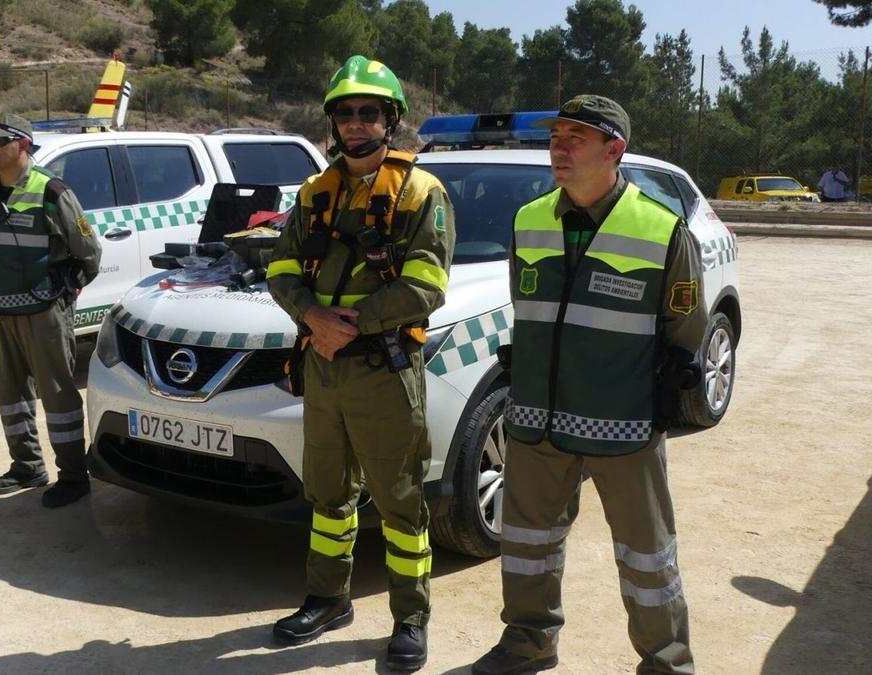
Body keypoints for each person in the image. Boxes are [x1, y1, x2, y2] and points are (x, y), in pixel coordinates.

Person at [469, 95, 706, 675]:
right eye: (557, 135)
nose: (560, 146)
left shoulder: (662, 230)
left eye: (578, 136)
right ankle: (528, 643)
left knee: (647, 555)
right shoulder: (529, 221)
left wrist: (660, 402)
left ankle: (668, 662)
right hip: (535, 422)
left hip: (623, 424)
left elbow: (686, 333)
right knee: (527, 545)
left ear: (614, 150)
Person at [266, 55, 455, 672]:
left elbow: (426, 285)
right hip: (323, 366)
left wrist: (348, 326)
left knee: (400, 498)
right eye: (344, 113)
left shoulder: (422, 193)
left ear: (390, 120)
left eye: (368, 112)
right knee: (325, 489)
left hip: (382, 368)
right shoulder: (313, 193)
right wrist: (311, 318)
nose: (354, 123)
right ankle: (328, 597)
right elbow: (282, 268)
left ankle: (410, 616)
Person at [0, 113, 101, 508]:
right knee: (8, 396)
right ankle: (26, 466)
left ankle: (74, 475)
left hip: (42, 313)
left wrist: (64, 291)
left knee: (58, 396)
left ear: (23, 145)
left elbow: (89, 253)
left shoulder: (52, 190)